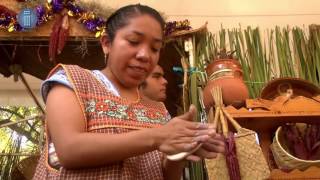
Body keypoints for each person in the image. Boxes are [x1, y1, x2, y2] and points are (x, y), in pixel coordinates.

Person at [33, 4, 224, 179]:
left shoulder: (158, 110)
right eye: (134, 41)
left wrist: (178, 154)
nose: (144, 55)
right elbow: (69, 150)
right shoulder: (72, 80)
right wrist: (159, 137)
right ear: (107, 43)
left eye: (155, 48)